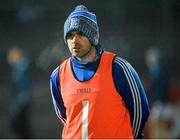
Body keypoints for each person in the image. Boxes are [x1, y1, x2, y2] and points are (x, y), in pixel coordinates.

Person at [50, 5, 150, 139]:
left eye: (80, 34)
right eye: (70, 35)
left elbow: (140, 111)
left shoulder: (119, 68)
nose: (74, 41)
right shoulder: (58, 75)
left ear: (92, 37)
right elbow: (64, 116)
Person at [7, 47, 33, 138]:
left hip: (22, 100)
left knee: (21, 124)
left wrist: (17, 104)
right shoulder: (19, 67)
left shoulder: (21, 67)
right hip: (23, 100)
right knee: (23, 124)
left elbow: (20, 85)